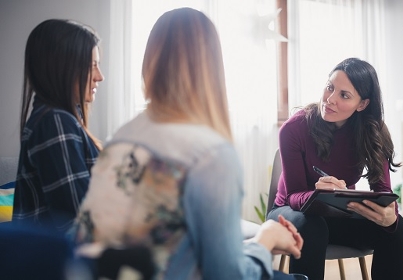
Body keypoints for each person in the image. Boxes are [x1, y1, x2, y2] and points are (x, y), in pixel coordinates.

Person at [69, 8, 304, 280]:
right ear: (213, 68)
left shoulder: (121, 138)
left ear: (150, 63)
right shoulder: (211, 154)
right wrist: (266, 240)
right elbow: (229, 275)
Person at [267, 58, 403, 280]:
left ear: (362, 104)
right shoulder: (294, 129)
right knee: (312, 227)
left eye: (344, 95)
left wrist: (389, 216)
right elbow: (292, 196)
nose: (330, 99)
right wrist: (317, 194)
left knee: (397, 229)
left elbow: (382, 190)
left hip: (335, 215)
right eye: (330, 87)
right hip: (289, 213)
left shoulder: (372, 131)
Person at [12, 19, 104, 233]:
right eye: (92, 66)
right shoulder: (54, 122)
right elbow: (77, 222)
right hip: (54, 262)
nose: (100, 76)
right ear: (62, 69)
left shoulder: (59, 119)